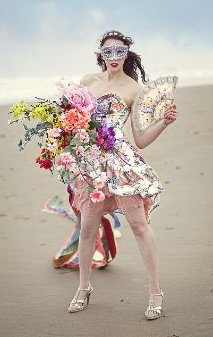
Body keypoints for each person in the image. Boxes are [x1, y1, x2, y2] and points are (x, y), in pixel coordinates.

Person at [67, 30, 178, 320]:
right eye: (108, 51)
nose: (114, 56)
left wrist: (164, 123)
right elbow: (75, 120)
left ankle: (155, 293)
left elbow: (140, 140)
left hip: (120, 162)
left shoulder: (134, 89)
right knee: (88, 228)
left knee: (139, 227)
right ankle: (83, 288)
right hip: (91, 163)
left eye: (119, 51)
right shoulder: (86, 82)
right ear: (100, 55)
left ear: (127, 52)